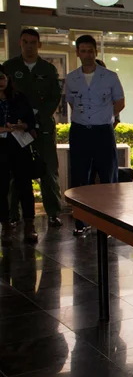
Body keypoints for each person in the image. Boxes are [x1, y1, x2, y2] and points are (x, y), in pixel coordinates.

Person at [65, 35, 126, 236]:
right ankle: (81, 222)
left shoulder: (109, 76)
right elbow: (72, 102)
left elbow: (120, 102)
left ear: (95, 52)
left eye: (90, 51)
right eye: (83, 51)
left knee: (108, 176)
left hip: (103, 131)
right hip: (80, 130)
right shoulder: (71, 77)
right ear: (77, 53)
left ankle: (108, 222)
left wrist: (105, 116)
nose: (87, 55)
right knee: (80, 177)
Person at [2, 29, 63, 228]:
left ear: (39, 45)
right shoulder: (10, 67)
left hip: (43, 126)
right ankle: (13, 215)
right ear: (20, 43)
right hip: (15, 128)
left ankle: (53, 213)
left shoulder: (48, 69)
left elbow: (55, 97)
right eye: (25, 42)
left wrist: (36, 118)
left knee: (48, 169)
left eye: (33, 42)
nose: (29, 46)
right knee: (14, 173)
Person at [0, 65, 38, 245]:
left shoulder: (19, 98)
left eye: (1, 78)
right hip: (0, 147)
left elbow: (31, 121)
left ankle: (29, 225)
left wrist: (21, 125)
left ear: (7, 79)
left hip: (18, 145)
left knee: (24, 185)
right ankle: (6, 226)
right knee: (1, 189)